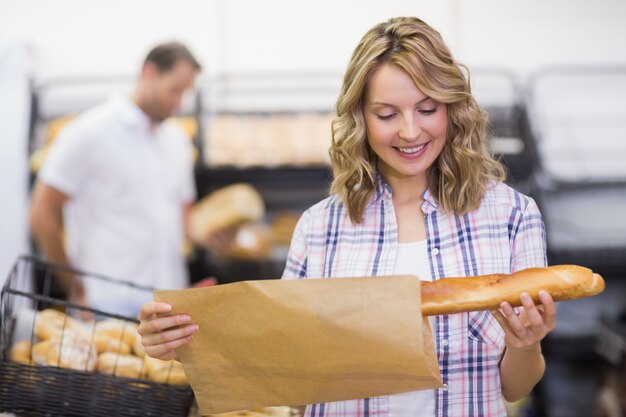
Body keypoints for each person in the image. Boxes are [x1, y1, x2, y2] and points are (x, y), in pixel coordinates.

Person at [137, 17, 557, 417]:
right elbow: (287, 369)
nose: (410, 132)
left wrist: (526, 344)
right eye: (387, 114)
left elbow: (514, 388)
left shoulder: (512, 216)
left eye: (428, 109)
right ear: (360, 118)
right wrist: (189, 342)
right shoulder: (321, 228)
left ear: (453, 108)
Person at [29, 42, 229, 317]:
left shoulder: (177, 141)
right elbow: (41, 213)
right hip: (107, 306)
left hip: (167, 304)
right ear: (149, 73)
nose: (179, 102)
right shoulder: (90, 132)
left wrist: (215, 234)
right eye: (174, 90)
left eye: (185, 93)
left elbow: (182, 218)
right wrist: (75, 288)